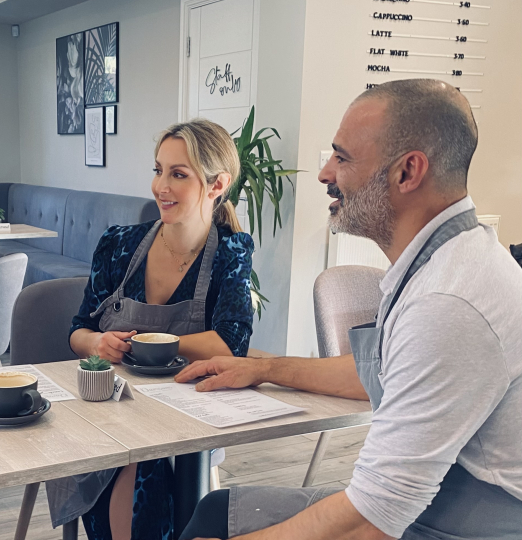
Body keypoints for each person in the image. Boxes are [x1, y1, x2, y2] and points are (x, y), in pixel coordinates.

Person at [177, 79, 522, 540]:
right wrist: (261, 368)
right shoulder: (450, 256)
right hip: (424, 501)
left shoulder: (449, 303)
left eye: (342, 157)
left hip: (463, 524)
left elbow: (375, 518)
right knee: (217, 513)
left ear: (408, 172)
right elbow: (383, 372)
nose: (325, 173)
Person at [48, 119, 255, 540]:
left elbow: (231, 344)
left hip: (188, 413)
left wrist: (148, 344)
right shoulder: (119, 244)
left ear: (217, 184)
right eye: (158, 170)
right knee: (134, 456)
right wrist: (98, 343)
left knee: (148, 459)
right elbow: (78, 331)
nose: (161, 186)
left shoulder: (231, 254)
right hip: (105, 408)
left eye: (178, 174)